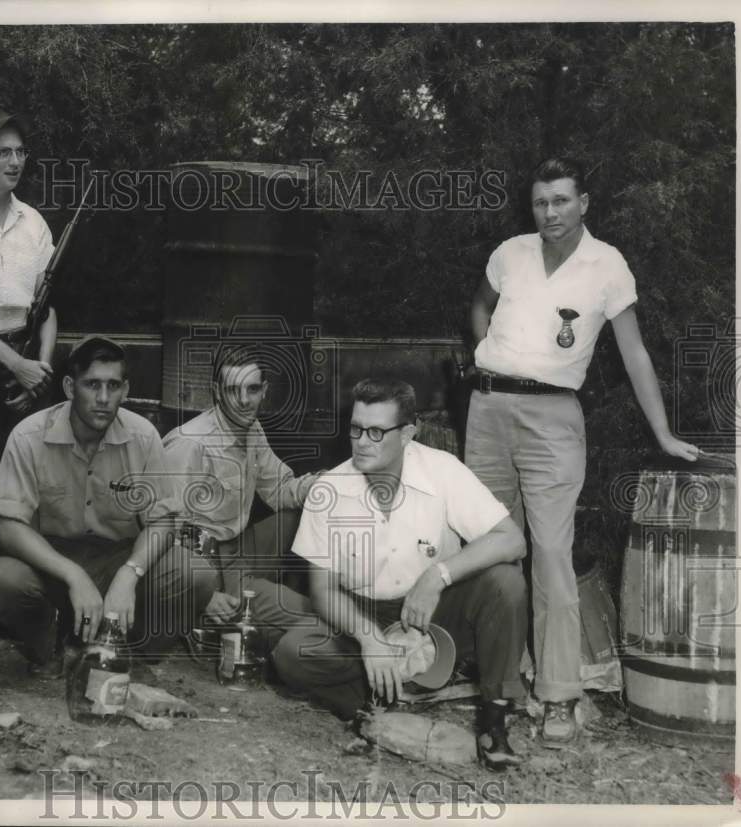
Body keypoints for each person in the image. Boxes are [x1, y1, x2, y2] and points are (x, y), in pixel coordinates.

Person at [466, 157, 699, 745]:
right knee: (492, 548)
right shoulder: (510, 252)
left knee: (548, 552)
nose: (551, 213)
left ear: (584, 203)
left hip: (553, 418)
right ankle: (502, 684)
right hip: (488, 410)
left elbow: (635, 354)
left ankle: (559, 694)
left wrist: (664, 434)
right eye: (542, 202)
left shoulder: (607, 265)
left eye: (562, 201)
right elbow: (478, 307)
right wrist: (486, 353)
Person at [272, 378, 529, 771]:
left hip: (432, 612)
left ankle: (493, 723)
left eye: (376, 432)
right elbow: (322, 590)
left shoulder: (442, 470)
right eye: (356, 429)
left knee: (505, 582)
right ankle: (370, 708)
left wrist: (437, 576)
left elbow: (512, 540)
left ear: (408, 433)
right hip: (363, 612)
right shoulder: (330, 490)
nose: (362, 442)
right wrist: (368, 637)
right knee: (293, 653)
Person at [0, 336, 215, 675]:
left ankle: (130, 652)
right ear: (71, 387)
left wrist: (130, 575)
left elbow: (162, 522)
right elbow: (7, 528)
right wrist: (73, 575)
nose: (103, 399)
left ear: (126, 389)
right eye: (92, 385)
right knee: (0, 582)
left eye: (113, 385)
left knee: (195, 573)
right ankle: (51, 647)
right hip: (52, 563)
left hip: (117, 556)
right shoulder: (28, 435)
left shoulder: (143, 436)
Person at [161, 345, 319, 651]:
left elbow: (279, 490)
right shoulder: (190, 444)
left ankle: (275, 603)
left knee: (299, 515)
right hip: (201, 566)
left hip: (238, 552)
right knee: (310, 618)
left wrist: (322, 485)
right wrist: (203, 594)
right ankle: (206, 617)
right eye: (233, 390)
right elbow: (162, 530)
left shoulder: (251, 428)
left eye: (252, 389)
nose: (244, 400)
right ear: (216, 392)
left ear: (264, 391)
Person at [0, 105, 57, 465]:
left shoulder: (34, 222)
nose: (15, 161)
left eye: (20, 152)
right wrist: (17, 364)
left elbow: (46, 307)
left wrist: (40, 369)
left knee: (30, 474)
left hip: (28, 364)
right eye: (3, 152)